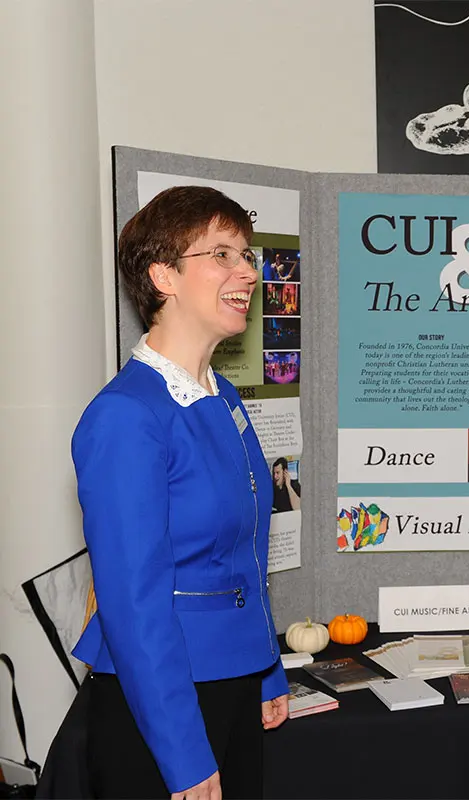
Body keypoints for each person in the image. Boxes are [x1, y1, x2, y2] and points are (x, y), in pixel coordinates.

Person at [71, 186, 289, 800]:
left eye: (247, 254)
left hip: (232, 680)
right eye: (222, 254)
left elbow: (245, 552)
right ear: (162, 274)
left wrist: (266, 669)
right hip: (163, 708)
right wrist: (183, 755)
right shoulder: (125, 415)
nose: (249, 271)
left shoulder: (222, 397)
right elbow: (133, 603)